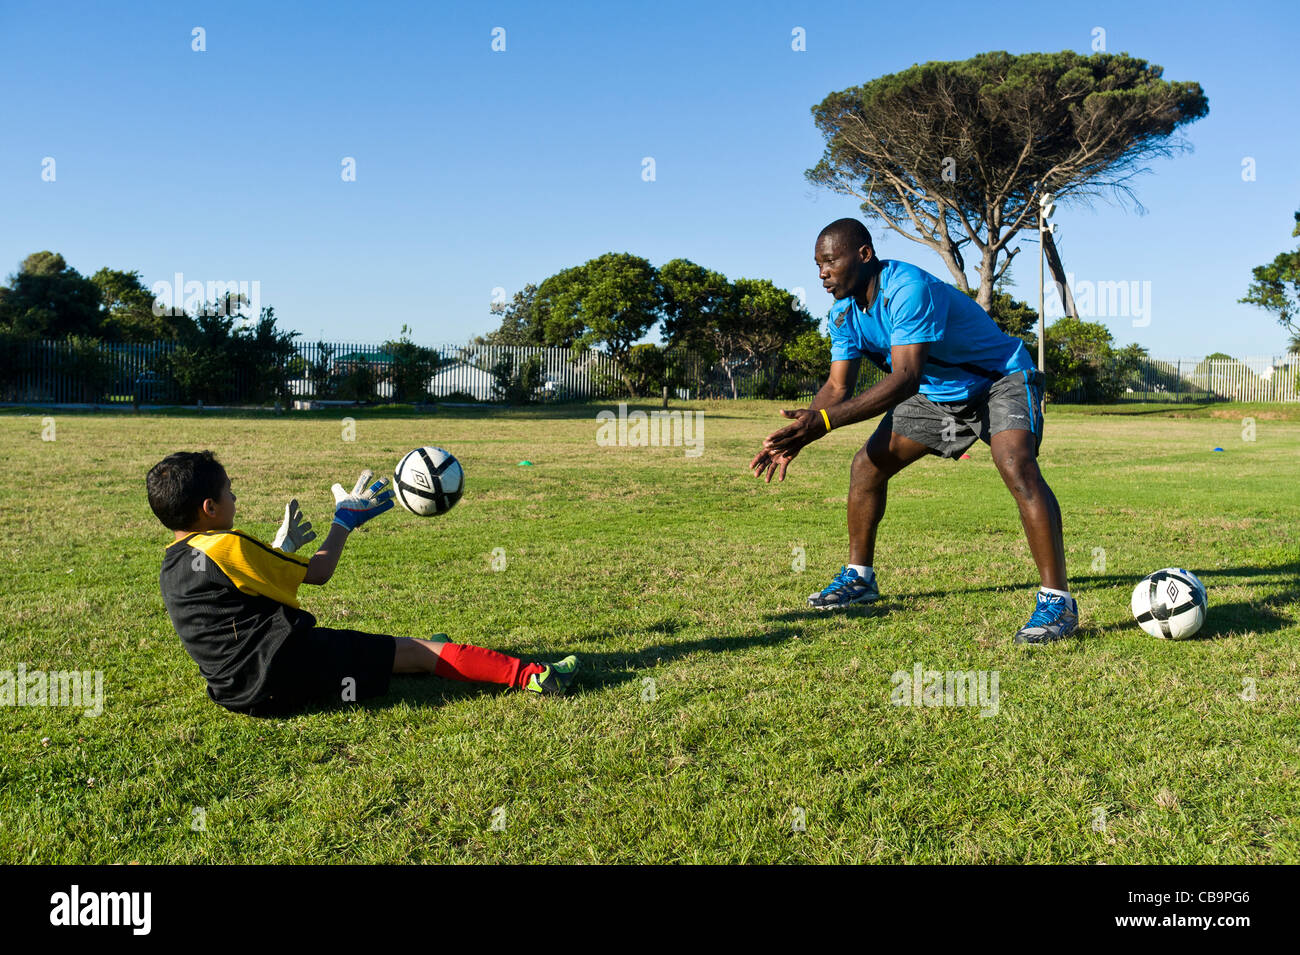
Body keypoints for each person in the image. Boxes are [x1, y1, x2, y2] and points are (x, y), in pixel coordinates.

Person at [750, 218, 1077, 643]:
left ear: (864, 255)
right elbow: (836, 387)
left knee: (1016, 464)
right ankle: (859, 579)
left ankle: (1058, 602)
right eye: (817, 265)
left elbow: (904, 378)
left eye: (830, 261)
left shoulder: (906, 288)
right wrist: (800, 433)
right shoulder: (843, 314)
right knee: (868, 467)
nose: (822, 273)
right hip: (940, 396)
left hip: (1000, 379)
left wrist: (826, 421)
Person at [146, 450, 578, 716]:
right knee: (415, 652)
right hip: (282, 673)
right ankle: (535, 676)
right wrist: (344, 522)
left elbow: (238, 601)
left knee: (390, 657)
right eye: (229, 491)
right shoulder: (226, 545)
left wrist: (280, 548)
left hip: (235, 690)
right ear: (208, 507)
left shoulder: (172, 561)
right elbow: (317, 575)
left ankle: (417, 657)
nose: (234, 498)